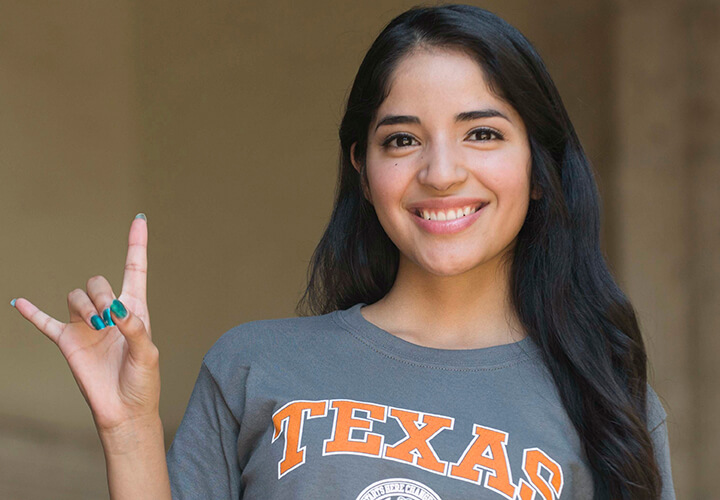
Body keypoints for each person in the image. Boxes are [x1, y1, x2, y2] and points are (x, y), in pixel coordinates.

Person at [11, 4, 675, 499]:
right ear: (362, 169)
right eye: (402, 140)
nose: (441, 172)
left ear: (539, 165)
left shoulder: (608, 401)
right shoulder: (254, 366)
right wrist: (129, 429)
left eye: (482, 134)